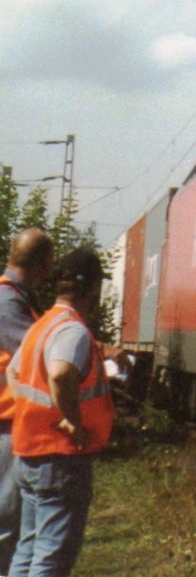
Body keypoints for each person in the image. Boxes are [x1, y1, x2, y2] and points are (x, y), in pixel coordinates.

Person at [7, 248, 115, 577]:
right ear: (93, 288)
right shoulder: (73, 330)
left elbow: (13, 372)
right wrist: (71, 420)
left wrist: (31, 410)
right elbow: (60, 373)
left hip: (29, 453)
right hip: (60, 458)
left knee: (28, 549)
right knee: (51, 557)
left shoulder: (40, 326)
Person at [0, 229, 57, 575]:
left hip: (11, 422)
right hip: (5, 424)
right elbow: (39, 351)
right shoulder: (7, 302)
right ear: (43, 263)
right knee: (6, 519)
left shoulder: (15, 298)